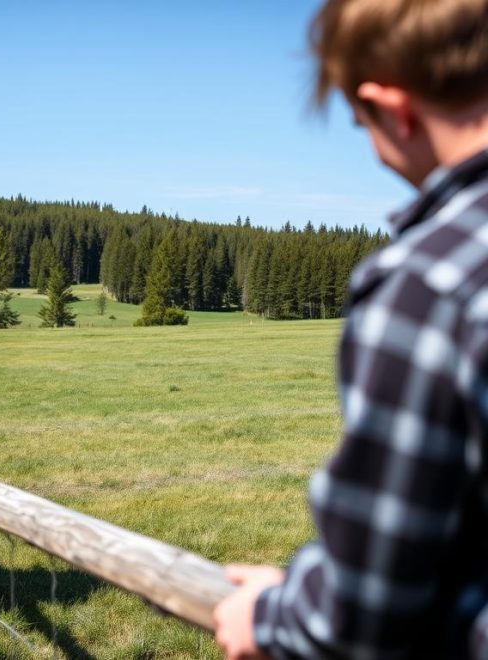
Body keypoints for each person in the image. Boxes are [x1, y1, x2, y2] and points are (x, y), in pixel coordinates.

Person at [213, 0, 488, 657]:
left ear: (393, 107)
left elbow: (369, 606)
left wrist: (273, 616)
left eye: (360, 123)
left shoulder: (432, 285)